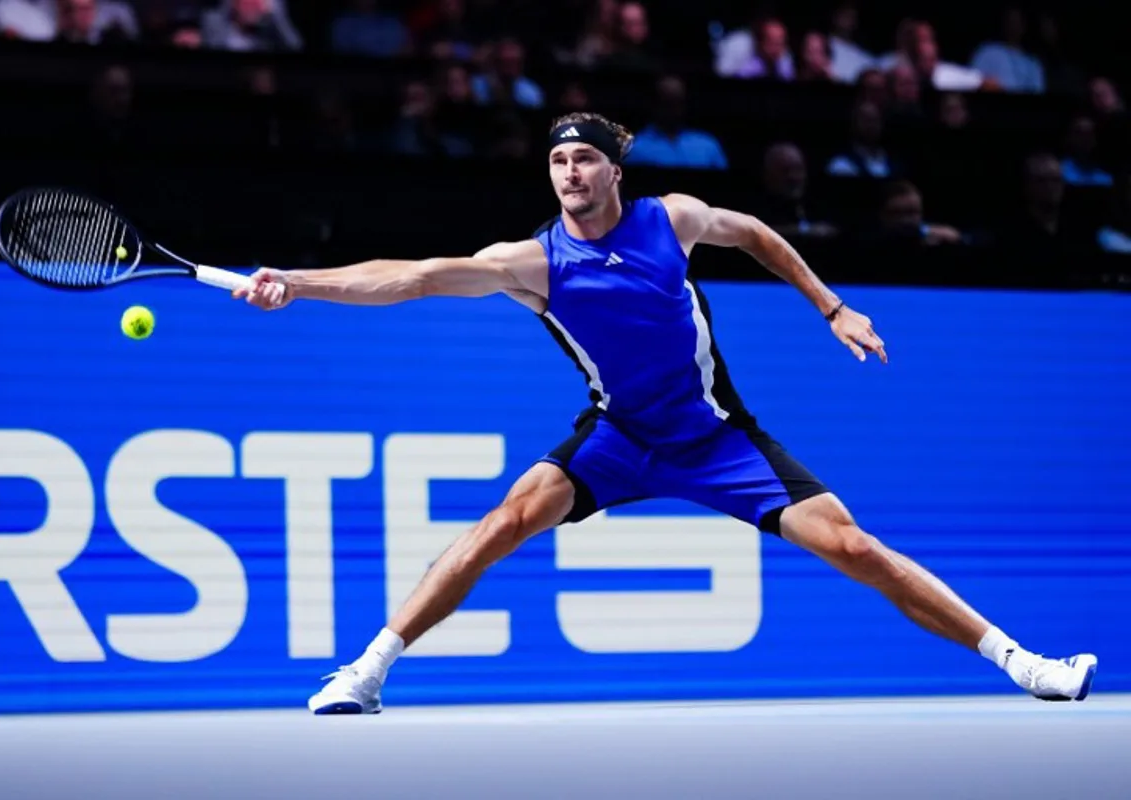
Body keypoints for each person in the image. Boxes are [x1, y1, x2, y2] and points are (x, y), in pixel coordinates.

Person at [233, 112, 1099, 714]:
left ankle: (1024, 665)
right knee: (502, 523)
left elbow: (756, 232)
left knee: (856, 547)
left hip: (716, 436)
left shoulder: (670, 219)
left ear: (615, 169)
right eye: (558, 163)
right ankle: (369, 670)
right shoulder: (533, 262)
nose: (570, 174)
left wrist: (830, 305)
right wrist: (297, 284)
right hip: (619, 438)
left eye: (584, 161)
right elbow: (413, 275)